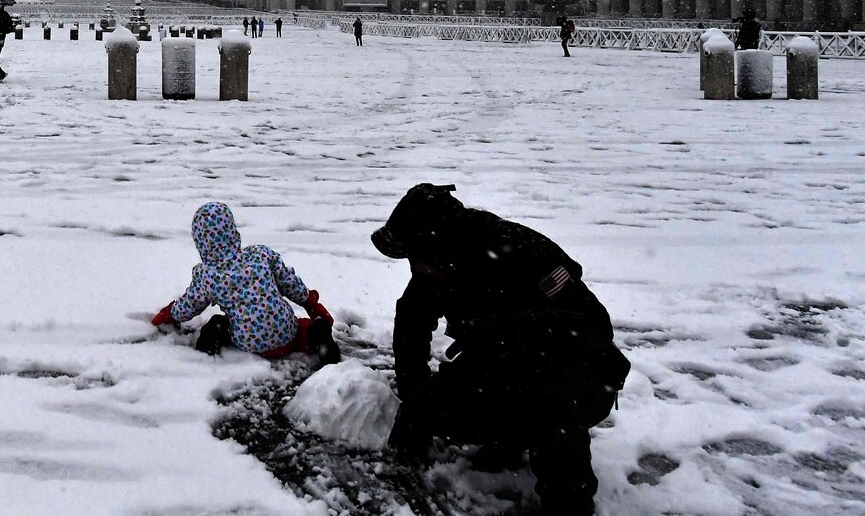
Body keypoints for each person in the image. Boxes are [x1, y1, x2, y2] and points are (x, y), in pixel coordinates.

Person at [372, 184, 629, 516]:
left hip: (578, 378)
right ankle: (509, 433)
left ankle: (569, 502)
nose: (415, 267)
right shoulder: (435, 265)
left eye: (417, 257)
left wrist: (507, 328)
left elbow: (593, 326)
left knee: (548, 399)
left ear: (439, 246)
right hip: (503, 368)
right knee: (428, 407)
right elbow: (411, 322)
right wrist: (414, 398)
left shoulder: (524, 251)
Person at [152, 202, 340, 364]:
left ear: (200, 243)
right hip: (287, 332)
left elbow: (189, 306)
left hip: (249, 341)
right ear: (233, 231)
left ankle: (207, 353)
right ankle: (319, 338)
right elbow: (289, 283)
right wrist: (310, 302)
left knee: (218, 323)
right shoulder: (260, 255)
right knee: (305, 329)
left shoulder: (208, 276)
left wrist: (169, 313)